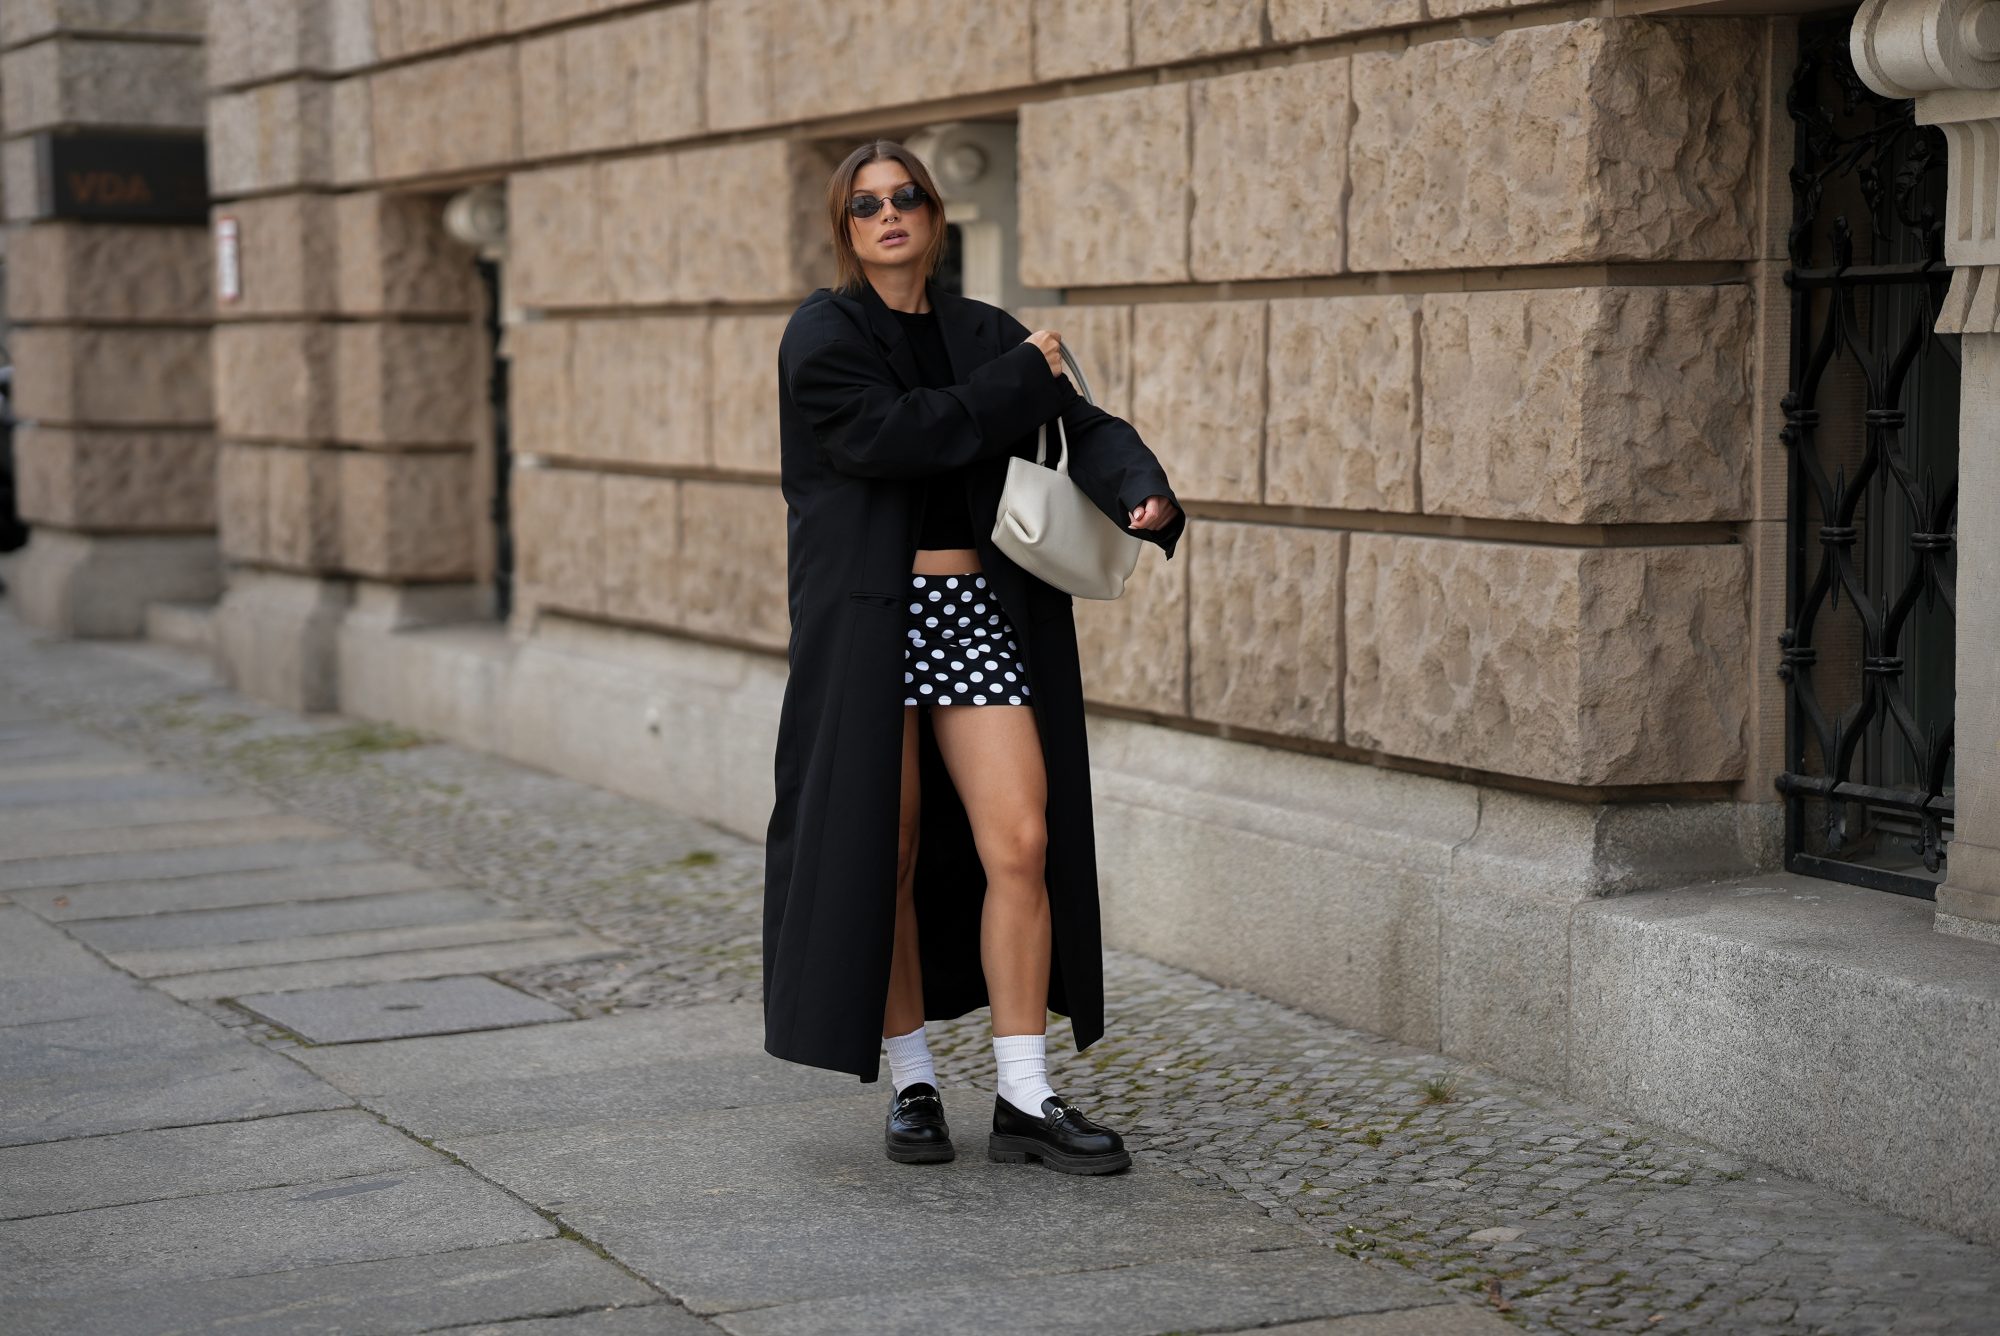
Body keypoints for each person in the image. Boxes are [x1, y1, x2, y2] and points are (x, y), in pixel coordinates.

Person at [763, 139, 1185, 1175]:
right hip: (870, 622)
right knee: (888, 847)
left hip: (973, 614)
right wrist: (1013, 384)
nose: (888, 214)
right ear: (845, 230)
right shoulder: (824, 335)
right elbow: (900, 435)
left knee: (1021, 840)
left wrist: (1140, 483)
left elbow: (1075, 418)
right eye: (866, 205)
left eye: (907, 196)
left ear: (937, 217)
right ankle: (911, 1082)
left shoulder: (979, 332)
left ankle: (1023, 1095)